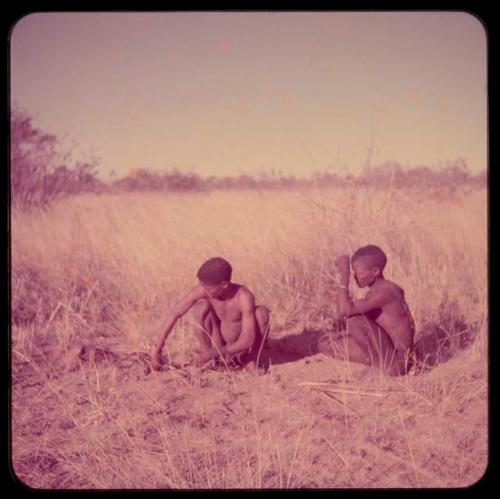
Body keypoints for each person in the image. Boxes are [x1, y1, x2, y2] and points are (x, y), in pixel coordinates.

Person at [150, 257, 270, 373]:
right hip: (218, 347)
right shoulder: (204, 289)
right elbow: (175, 313)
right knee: (200, 308)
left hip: (240, 349)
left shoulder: (244, 297)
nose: (203, 291)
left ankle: (251, 360)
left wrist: (214, 352)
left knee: (261, 313)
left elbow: (248, 338)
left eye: (208, 289)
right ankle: (216, 363)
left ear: (224, 284)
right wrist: (157, 351)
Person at [318, 245, 415, 376]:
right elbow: (345, 313)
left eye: (358, 272)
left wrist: (344, 275)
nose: (355, 277)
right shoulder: (378, 290)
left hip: (398, 362)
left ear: (375, 271)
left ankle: (382, 370)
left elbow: (345, 311)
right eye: (352, 272)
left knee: (355, 322)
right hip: (389, 350)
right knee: (326, 343)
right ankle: (378, 364)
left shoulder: (385, 292)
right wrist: (341, 323)